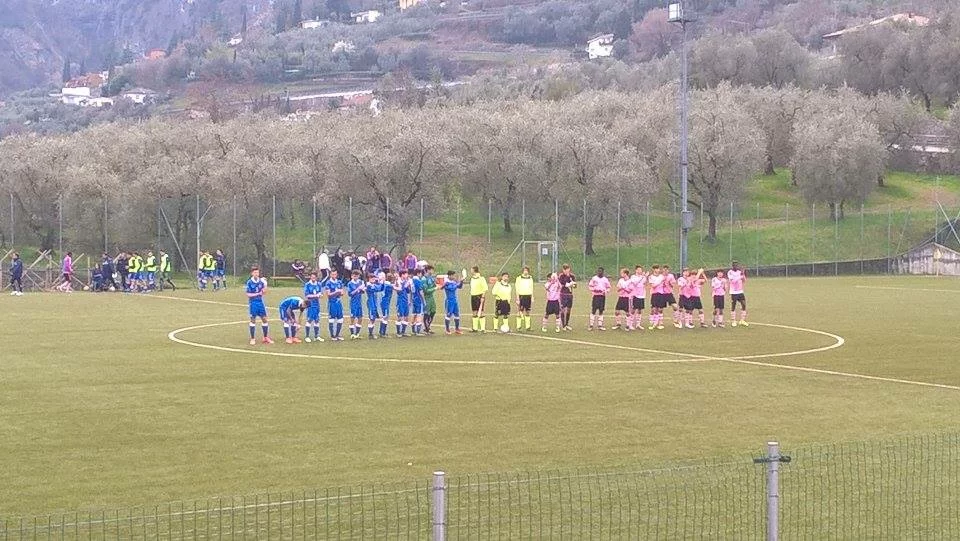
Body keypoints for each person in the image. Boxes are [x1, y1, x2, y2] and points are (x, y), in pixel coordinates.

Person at [246, 266, 273, 345]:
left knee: (264, 319)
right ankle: (252, 338)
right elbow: (248, 294)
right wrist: (258, 293)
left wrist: (265, 285)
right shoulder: (249, 282)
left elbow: (264, 292)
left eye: (257, 272)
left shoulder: (261, 281)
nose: (256, 274)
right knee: (253, 319)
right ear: (252, 273)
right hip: (253, 303)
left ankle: (265, 337)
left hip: (260, 302)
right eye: (255, 272)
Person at [303, 272, 325, 342]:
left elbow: (320, 293)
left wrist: (320, 295)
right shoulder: (307, 284)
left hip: (317, 304)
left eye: (314, 277)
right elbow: (307, 295)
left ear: (316, 278)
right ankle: (307, 336)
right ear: (310, 277)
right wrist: (316, 296)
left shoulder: (319, 284)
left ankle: (316, 336)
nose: (313, 278)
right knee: (309, 320)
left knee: (317, 320)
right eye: (312, 277)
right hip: (310, 304)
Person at [324, 269, 345, 340]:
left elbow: (342, 293)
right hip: (332, 303)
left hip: (338, 302)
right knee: (332, 319)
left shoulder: (339, 282)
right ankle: (332, 336)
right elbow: (328, 294)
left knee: (340, 319)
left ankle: (337, 335)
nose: (334, 275)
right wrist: (336, 292)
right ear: (330, 275)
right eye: (332, 274)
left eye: (335, 274)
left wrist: (340, 292)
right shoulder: (328, 283)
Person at [587, 267, 611, 331]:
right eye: (598, 271)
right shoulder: (594, 278)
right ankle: (591, 325)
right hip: (596, 296)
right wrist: (594, 290)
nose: (599, 272)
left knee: (601, 310)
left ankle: (600, 325)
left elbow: (608, 287)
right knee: (593, 310)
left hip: (602, 297)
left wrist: (605, 291)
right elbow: (590, 286)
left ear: (603, 272)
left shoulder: (605, 279)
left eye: (601, 271)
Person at [347, 269, 366, 339]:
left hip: (359, 302)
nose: (356, 277)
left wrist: (363, 289)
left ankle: (357, 334)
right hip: (353, 303)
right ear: (352, 276)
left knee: (360, 318)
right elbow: (350, 294)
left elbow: (362, 292)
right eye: (355, 276)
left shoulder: (360, 282)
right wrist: (358, 289)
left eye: (357, 276)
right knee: (352, 318)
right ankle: (352, 334)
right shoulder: (350, 284)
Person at [443, 270, 464, 335]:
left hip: (454, 300)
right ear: (449, 276)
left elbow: (460, 287)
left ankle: (457, 329)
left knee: (457, 314)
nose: (454, 277)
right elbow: (451, 288)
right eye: (453, 275)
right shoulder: (446, 283)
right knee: (448, 315)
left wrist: (461, 281)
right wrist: (457, 283)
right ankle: (447, 329)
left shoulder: (453, 282)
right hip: (449, 301)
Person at [728, 261, 748, 327]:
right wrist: (740, 276)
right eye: (735, 265)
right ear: (733, 266)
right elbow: (733, 281)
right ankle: (733, 321)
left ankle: (742, 320)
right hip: (733, 292)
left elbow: (744, 280)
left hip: (740, 291)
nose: (736, 267)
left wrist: (743, 274)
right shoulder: (730, 272)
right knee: (733, 305)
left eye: (737, 265)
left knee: (744, 304)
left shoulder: (739, 272)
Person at [514, 266, 534, 332]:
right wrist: (517, 298)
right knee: (520, 311)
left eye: (527, 270)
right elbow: (517, 288)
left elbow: (531, 287)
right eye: (524, 270)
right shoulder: (519, 278)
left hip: (528, 296)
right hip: (521, 296)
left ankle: (528, 327)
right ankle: (518, 327)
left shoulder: (530, 278)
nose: (525, 272)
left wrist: (532, 296)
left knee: (527, 311)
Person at [558, 264, 577, 331]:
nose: (566, 271)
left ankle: (567, 324)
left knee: (569, 309)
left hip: (570, 295)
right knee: (563, 309)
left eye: (567, 269)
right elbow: (563, 284)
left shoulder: (572, 276)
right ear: (563, 270)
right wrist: (569, 283)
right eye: (565, 269)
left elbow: (575, 285)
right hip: (563, 294)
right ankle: (563, 325)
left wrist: (574, 284)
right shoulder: (561, 276)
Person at [648, 265, 666, 330]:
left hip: (661, 294)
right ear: (654, 270)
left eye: (658, 269)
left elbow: (664, 284)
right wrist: (660, 281)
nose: (658, 270)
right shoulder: (651, 277)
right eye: (656, 269)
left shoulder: (662, 276)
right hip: (654, 294)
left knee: (660, 309)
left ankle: (659, 323)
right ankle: (654, 322)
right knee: (654, 308)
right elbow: (653, 286)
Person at [365, 273, 382, 339]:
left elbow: (380, 288)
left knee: (373, 318)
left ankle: (371, 333)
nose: (374, 280)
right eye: (372, 278)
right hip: (371, 303)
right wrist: (380, 282)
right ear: (369, 279)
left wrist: (378, 282)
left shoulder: (373, 284)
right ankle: (370, 334)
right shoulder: (369, 285)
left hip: (374, 303)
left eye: (374, 278)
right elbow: (378, 288)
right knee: (372, 318)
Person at [394, 269, 412, 337]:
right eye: (406, 274)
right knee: (400, 316)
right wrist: (406, 284)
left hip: (405, 300)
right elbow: (399, 291)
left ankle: (403, 332)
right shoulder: (398, 281)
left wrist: (409, 286)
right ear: (402, 275)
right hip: (400, 301)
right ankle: (398, 332)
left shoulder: (406, 281)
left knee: (406, 316)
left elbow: (408, 291)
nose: (407, 275)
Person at [629, 266, 647, 331]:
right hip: (635, 295)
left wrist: (645, 277)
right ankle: (630, 324)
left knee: (640, 310)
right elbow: (635, 283)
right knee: (633, 309)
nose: (640, 271)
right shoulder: (633, 277)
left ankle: (638, 324)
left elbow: (644, 283)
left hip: (641, 295)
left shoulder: (643, 277)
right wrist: (643, 277)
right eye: (638, 270)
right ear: (636, 270)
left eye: (641, 270)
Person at [379, 270, 394, 338]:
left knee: (384, 316)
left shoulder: (385, 284)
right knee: (385, 316)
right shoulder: (389, 285)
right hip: (385, 302)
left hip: (384, 301)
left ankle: (381, 331)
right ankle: (383, 333)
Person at [411, 268, 426, 336]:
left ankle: (413, 330)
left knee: (414, 314)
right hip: (418, 299)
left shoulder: (412, 280)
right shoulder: (418, 281)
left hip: (414, 298)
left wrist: (411, 299)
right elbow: (421, 292)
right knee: (419, 314)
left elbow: (411, 291)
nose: (421, 275)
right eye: (421, 274)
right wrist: (424, 301)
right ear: (418, 273)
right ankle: (418, 332)